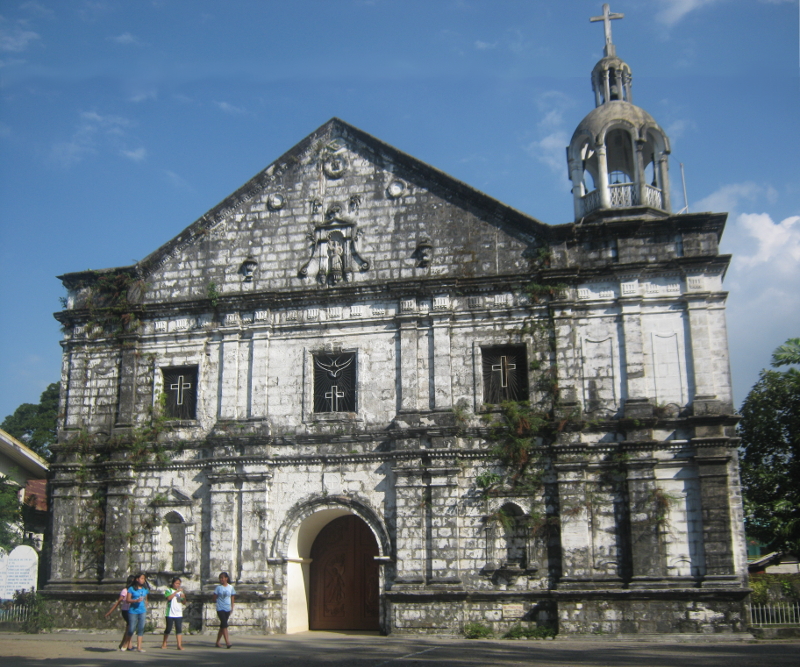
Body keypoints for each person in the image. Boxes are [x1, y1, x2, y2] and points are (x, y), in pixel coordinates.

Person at [104, 575, 135, 651]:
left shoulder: (134, 590)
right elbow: (118, 601)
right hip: (126, 611)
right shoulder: (125, 591)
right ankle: (127, 644)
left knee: (129, 627)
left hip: (132, 611)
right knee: (130, 627)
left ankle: (125, 644)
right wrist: (110, 612)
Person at [126, 572, 149, 653]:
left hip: (142, 610)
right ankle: (128, 643)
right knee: (131, 628)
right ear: (137, 579)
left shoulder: (145, 589)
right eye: (142, 578)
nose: (143, 580)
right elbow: (127, 600)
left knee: (141, 628)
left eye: (144, 579)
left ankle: (139, 647)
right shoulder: (131, 589)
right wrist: (135, 600)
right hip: (133, 611)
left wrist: (146, 604)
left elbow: (146, 598)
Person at [161, 577, 186, 650]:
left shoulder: (181, 592)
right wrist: (176, 592)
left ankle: (179, 645)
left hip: (178, 613)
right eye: (176, 583)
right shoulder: (168, 590)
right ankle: (164, 642)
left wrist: (184, 597)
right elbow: (168, 598)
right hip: (170, 613)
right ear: (173, 583)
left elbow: (184, 602)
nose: (178, 585)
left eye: (179, 584)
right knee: (168, 628)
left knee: (179, 629)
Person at [213, 571, 235, 649]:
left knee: (223, 625)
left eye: (223, 578)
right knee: (225, 624)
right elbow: (214, 597)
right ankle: (227, 642)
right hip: (220, 608)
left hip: (227, 608)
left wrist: (232, 606)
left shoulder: (231, 587)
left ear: (226, 578)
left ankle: (217, 642)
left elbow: (232, 597)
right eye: (220, 578)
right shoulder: (218, 588)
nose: (221, 579)